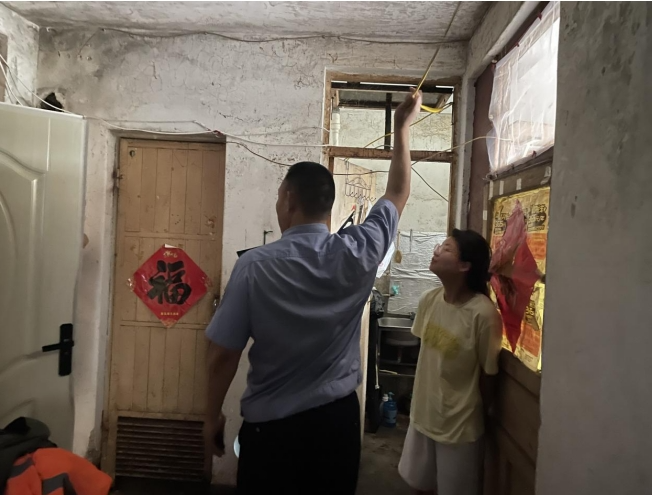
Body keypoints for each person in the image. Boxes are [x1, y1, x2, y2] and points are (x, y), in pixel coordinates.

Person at [203, 90, 423, 494]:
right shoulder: (360, 251)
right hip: (336, 427)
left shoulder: (254, 267)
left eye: (278, 197)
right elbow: (397, 193)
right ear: (328, 206)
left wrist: (210, 415)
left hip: (271, 434)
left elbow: (222, 356)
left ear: (289, 200)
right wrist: (402, 129)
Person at [398, 229, 503, 495]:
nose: (436, 251)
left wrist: (478, 414)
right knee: (419, 487)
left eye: (446, 249)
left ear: (465, 265)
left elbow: (488, 375)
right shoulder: (429, 300)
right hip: (423, 416)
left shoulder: (483, 314)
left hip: (459, 427)